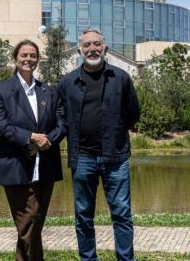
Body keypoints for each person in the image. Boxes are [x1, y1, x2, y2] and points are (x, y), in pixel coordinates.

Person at [57, 28, 140, 261]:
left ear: (105, 48)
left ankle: (125, 258)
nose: (92, 49)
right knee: (83, 215)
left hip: (116, 157)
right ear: (79, 50)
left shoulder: (121, 78)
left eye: (96, 44)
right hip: (82, 158)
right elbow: (61, 116)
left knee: (122, 214)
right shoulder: (67, 83)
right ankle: (88, 259)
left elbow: (133, 113)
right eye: (87, 45)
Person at [0, 39, 66, 261]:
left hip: (46, 167)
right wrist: (30, 138)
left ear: (38, 60)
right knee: (29, 218)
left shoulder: (48, 91)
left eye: (33, 55)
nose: (28, 59)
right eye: (24, 55)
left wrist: (47, 140)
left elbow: (62, 123)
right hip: (15, 166)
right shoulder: (1, 91)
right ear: (16, 58)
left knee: (35, 221)